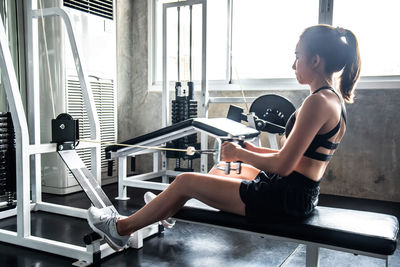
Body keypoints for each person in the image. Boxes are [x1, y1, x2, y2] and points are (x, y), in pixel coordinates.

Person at [87, 24, 361, 251]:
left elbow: (283, 166)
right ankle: (164, 210)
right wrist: (253, 150)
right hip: (296, 192)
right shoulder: (330, 99)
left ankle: (119, 228)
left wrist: (241, 153)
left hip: (285, 198)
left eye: (298, 55)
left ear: (315, 60)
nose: (293, 63)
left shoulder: (317, 103)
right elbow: (294, 159)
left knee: (184, 181)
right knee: (223, 168)